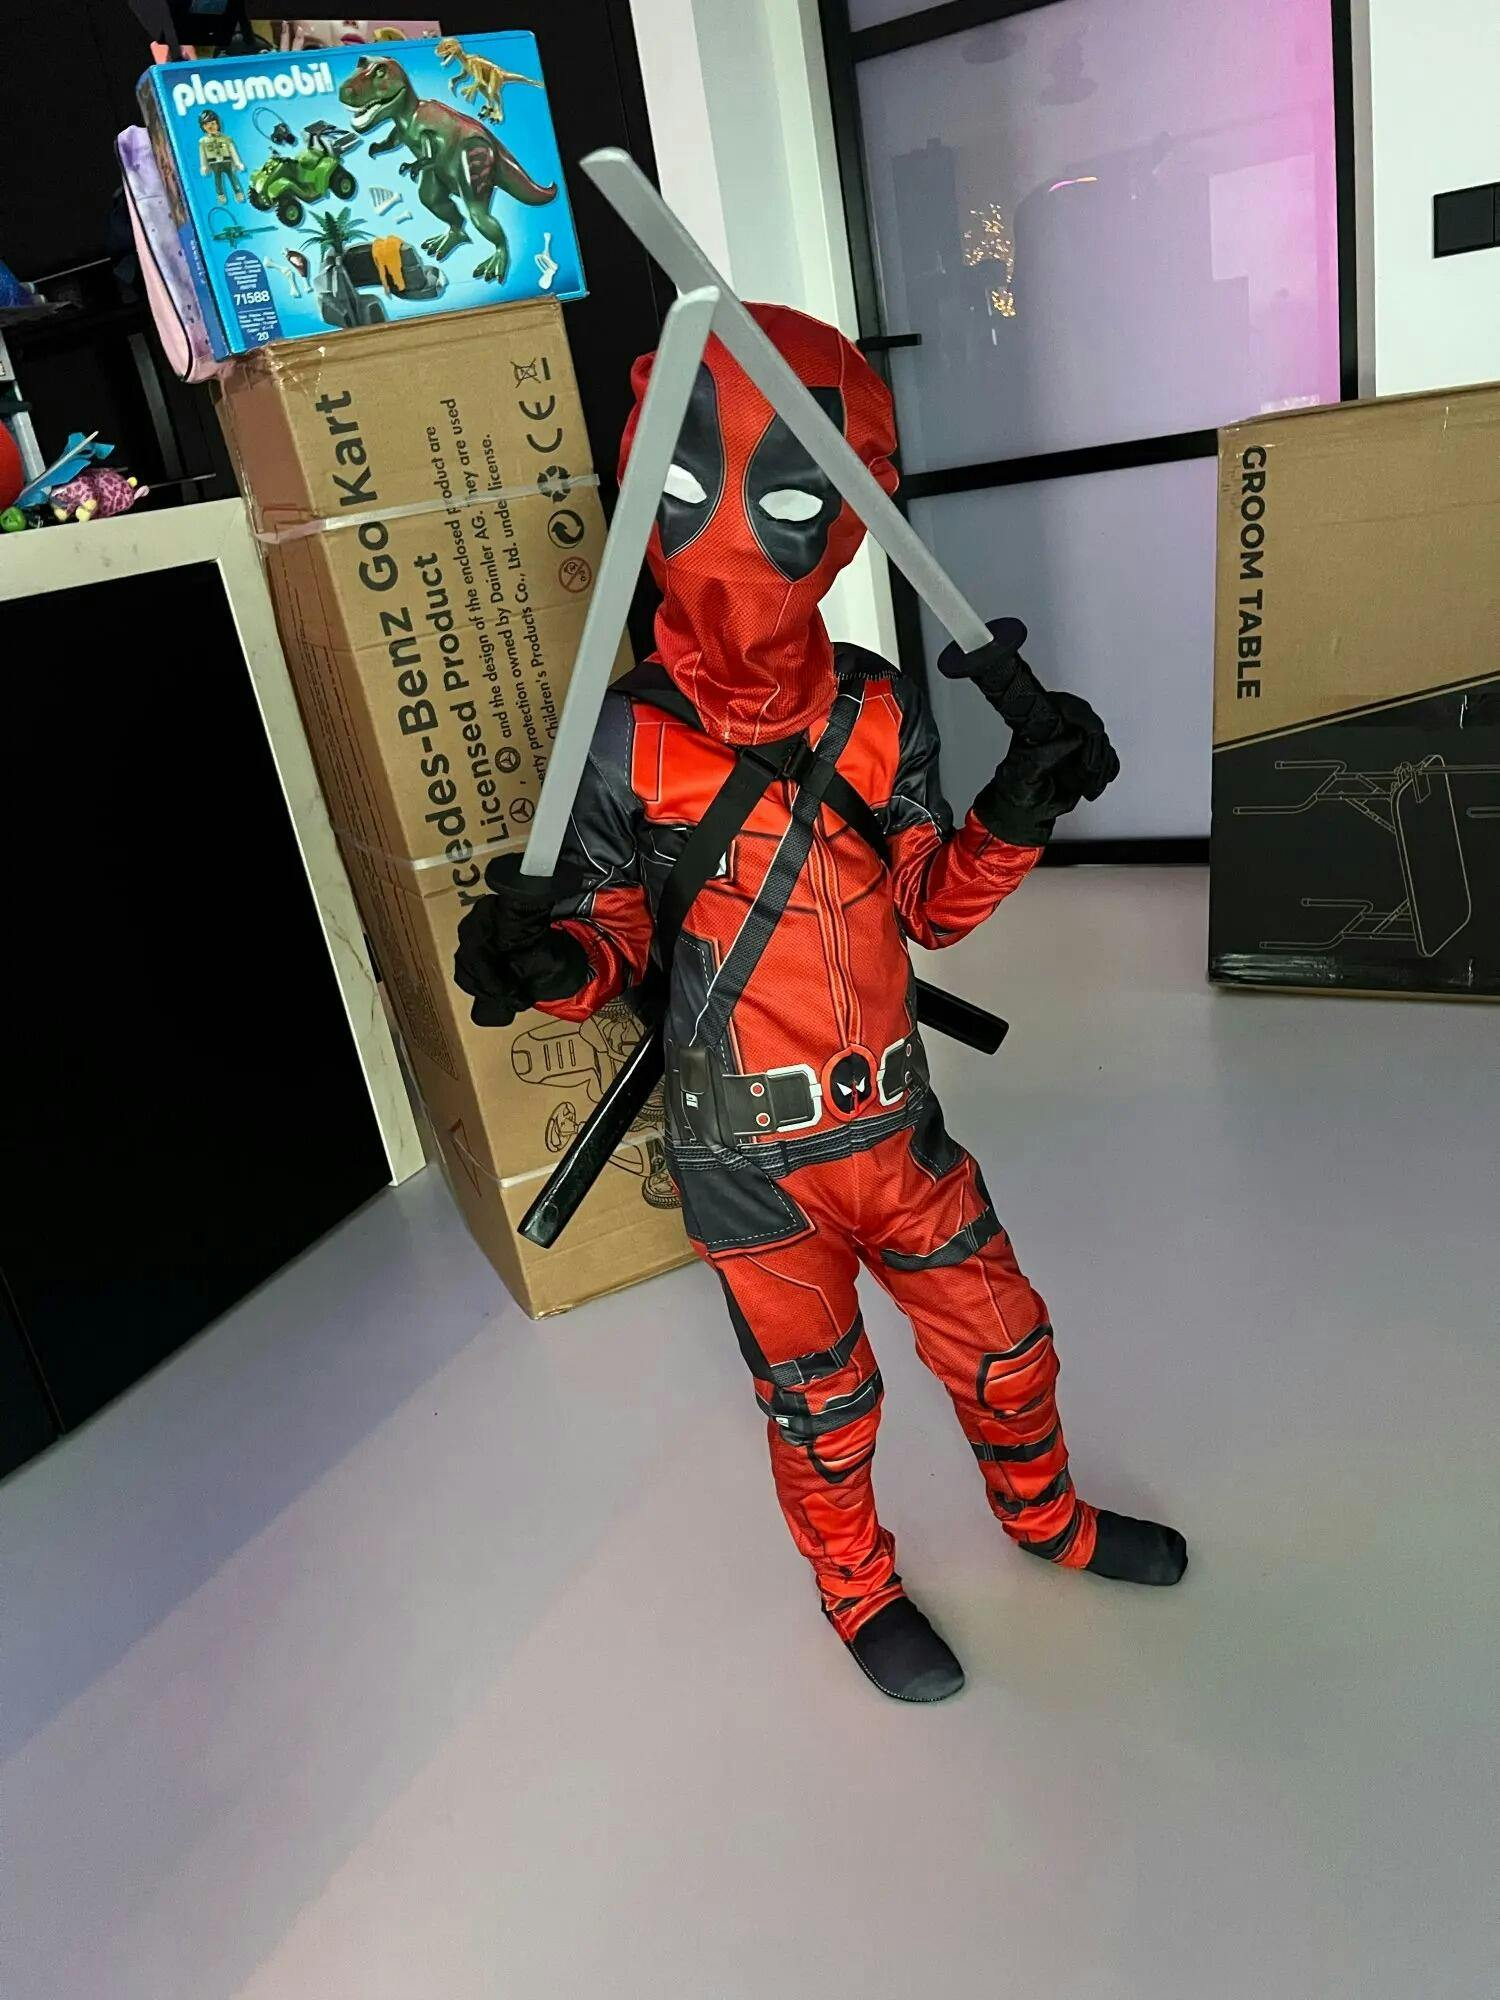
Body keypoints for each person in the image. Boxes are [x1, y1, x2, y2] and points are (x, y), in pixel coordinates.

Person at [454, 306, 1187, 1703]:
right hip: (749, 1164)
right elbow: (610, 942)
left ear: (851, 517)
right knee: (823, 1404)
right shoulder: (623, 741)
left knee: (1006, 1341)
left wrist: (1016, 811)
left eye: (788, 500)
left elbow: (929, 904)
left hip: (897, 1130)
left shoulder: (877, 708)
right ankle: (858, 1589)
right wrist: (553, 964)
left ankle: (1045, 1519)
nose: (733, 541)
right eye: (685, 488)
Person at [198, 111, 246, 203]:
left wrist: (238, 163)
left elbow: (232, 151)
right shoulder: (203, 141)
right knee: (218, 180)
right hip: (214, 163)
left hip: (227, 161)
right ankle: (220, 195)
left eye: (213, 123)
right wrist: (204, 166)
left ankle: (238, 193)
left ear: (218, 124)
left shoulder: (226, 138)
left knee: (233, 178)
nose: (210, 127)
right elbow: (202, 154)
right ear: (203, 127)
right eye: (206, 124)